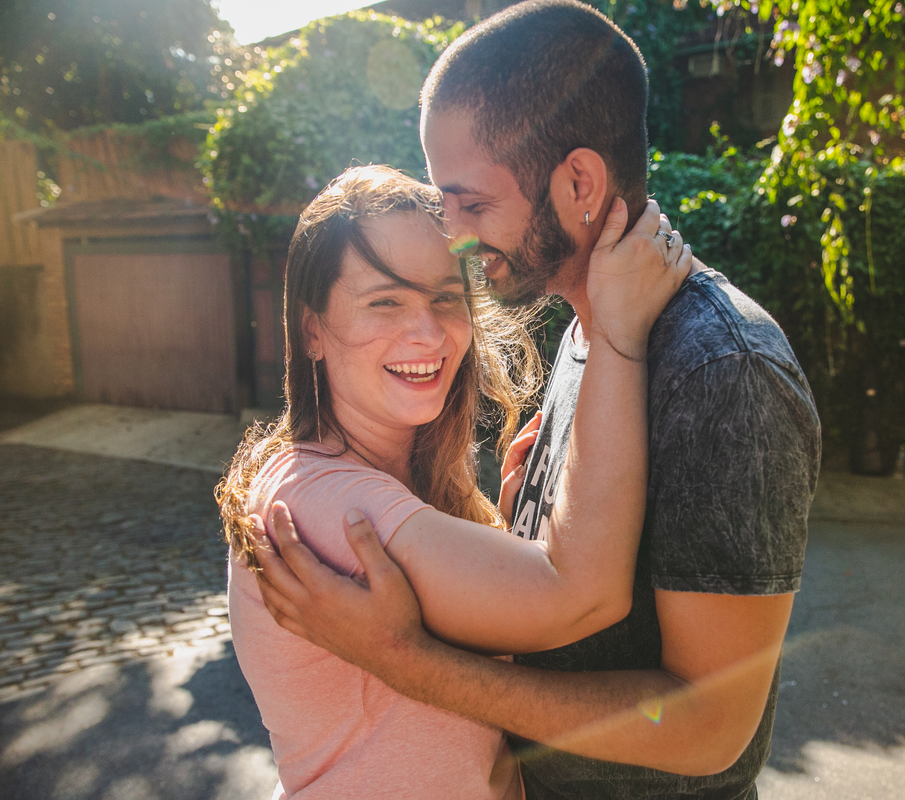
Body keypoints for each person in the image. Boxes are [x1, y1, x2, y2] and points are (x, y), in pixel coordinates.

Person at [251, 1, 822, 798]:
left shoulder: (719, 368)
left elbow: (709, 727)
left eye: (472, 203)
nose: (451, 232)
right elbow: (550, 583)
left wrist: (409, 661)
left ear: (579, 183)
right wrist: (517, 522)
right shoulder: (593, 333)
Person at [217, 164, 690, 799]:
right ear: (312, 330)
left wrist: (504, 536)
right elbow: (583, 597)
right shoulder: (320, 506)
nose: (430, 332)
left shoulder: (405, 482)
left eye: (446, 296)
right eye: (385, 301)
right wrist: (618, 330)